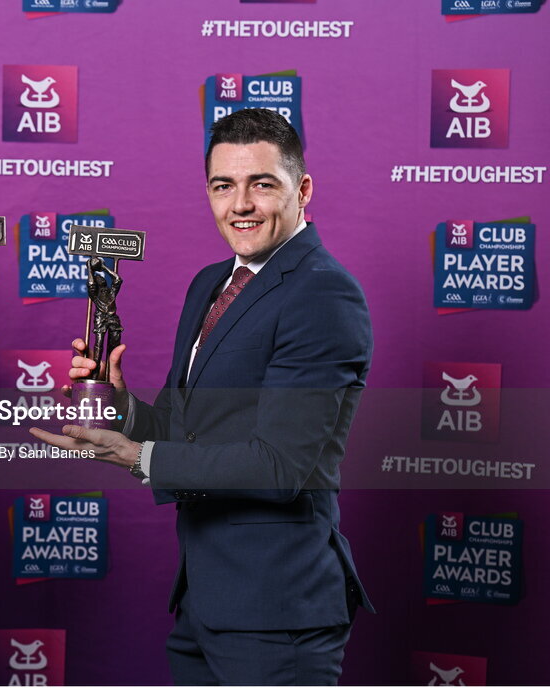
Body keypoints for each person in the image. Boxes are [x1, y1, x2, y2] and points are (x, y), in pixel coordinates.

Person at [31, 108, 373, 685]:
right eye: (224, 186)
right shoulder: (210, 285)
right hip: (204, 600)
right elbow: (179, 424)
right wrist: (122, 407)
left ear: (302, 190)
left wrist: (135, 457)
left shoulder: (324, 295)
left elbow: (280, 466)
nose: (240, 204)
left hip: (276, 610)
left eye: (262, 184)